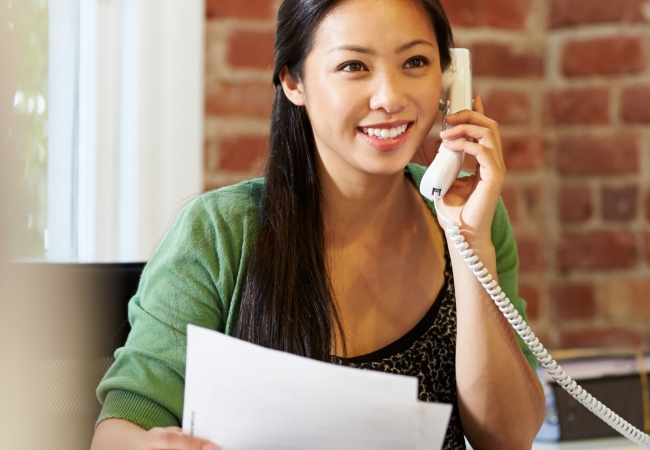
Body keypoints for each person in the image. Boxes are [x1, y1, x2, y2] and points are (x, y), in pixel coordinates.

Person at [90, 0, 546, 448]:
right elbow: (116, 434)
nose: (390, 97)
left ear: (449, 80)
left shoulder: (467, 218)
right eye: (353, 66)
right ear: (293, 81)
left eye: (415, 61)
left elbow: (507, 439)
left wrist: (468, 245)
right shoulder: (219, 233)